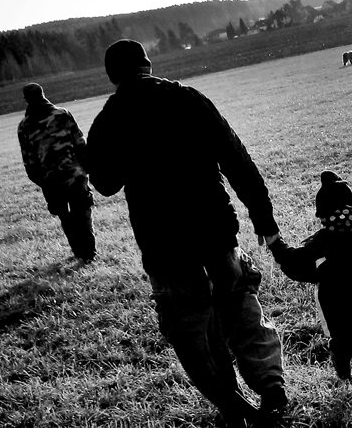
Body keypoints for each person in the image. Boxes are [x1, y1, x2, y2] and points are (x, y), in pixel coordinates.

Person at [87, 39, 288, 428]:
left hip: (163, 245)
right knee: (242, 309)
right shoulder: (189, 99)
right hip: (214, 230)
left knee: (191, 330)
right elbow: (236, 159)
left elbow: (106, 183)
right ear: (147, 64)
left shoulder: (108, 119)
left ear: (112, 76)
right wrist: (264, 219)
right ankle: (271, 388)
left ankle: (232, 405)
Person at [263, 170, 352, 428]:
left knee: (342, 339)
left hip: (342, 313)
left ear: (322, 215)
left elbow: (295, 264)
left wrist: (276, 245)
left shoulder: (321, 244)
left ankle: (342, 360)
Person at [17, 82, 97, 261]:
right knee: (82, 209)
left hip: (50, 180)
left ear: (26, 100)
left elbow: (29, 162)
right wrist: (86, 167)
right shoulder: (62, 114)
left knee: (64, 216)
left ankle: (78, 251)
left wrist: (43, 181)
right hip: (75, 174)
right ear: (43, 94)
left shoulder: (24, 126)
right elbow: (80, 142)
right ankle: (89, 252)